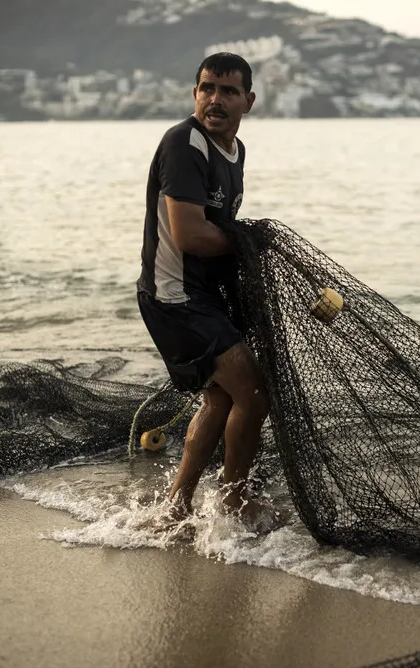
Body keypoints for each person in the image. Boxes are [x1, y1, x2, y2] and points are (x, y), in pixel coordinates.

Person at [136, 53, 268, 520]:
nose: (215, 99)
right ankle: (232, 497)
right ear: (194, 94)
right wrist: (248, 245)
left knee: (220, 396)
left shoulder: (237, 151)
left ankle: (177, 505)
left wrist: (242, 246)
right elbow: (191, 236)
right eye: (207, 88)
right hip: (174, 295)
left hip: (202, 296)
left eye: (228, 91)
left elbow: (220, 228)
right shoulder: (182, 143)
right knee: (251, 390)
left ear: (248, 101)